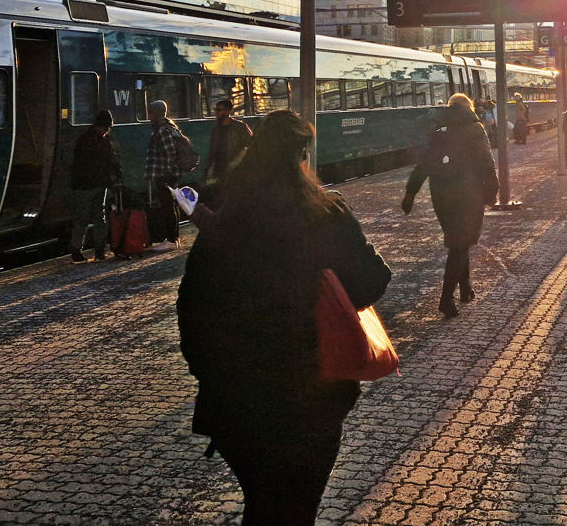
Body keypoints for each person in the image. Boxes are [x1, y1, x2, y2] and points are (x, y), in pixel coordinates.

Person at [177, 111, 391, 526]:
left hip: (235, 398)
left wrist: (209, 371)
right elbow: (371, 282)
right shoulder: (327, 213)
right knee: (294, 508)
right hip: (310, 395)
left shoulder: (225, 222)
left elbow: (193, 307)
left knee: (263, 504)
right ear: (301, 154)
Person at [401, 94, 498, 318]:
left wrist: (410, 193)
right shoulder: (475, 129)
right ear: (469, 108)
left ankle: (465, 289)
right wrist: (492, 192)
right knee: (460, 245)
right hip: (468, 194)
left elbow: (422, 164)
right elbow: (487, 163)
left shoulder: (437, 130)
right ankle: (446, 300)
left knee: (459, 242)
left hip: (441, 195)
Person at [69, 109, 122, 262]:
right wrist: (114, 180)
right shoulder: (104, 142)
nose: (108, 130)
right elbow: (111, 163)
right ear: (103, 126)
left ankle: (77, 250)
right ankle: (99, 250)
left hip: (83, 185)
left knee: (82, 219)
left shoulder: (83, 139)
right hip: (97, 185)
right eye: (107, 127)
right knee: (99, 218)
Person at [145, 99, 198, 250]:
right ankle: (173, 239)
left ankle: (171, 240)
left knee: (168, 207)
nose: (148, 115)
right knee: (170, 206)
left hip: (164, 175)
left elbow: (170, 153)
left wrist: (167, 177)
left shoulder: (162, 130)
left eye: (150, 112)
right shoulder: (170, 127)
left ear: (154, 113)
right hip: (167, 174)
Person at [202, 97, 253, 209]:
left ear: (228, 111)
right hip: (220, 171)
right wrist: (209, 170)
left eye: (219, 110)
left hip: (236, 170)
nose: (216, 113)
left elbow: (250, 146)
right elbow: (212, 152)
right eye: (216, 110)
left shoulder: (240, 128)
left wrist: (238, 160)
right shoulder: (216, 130)